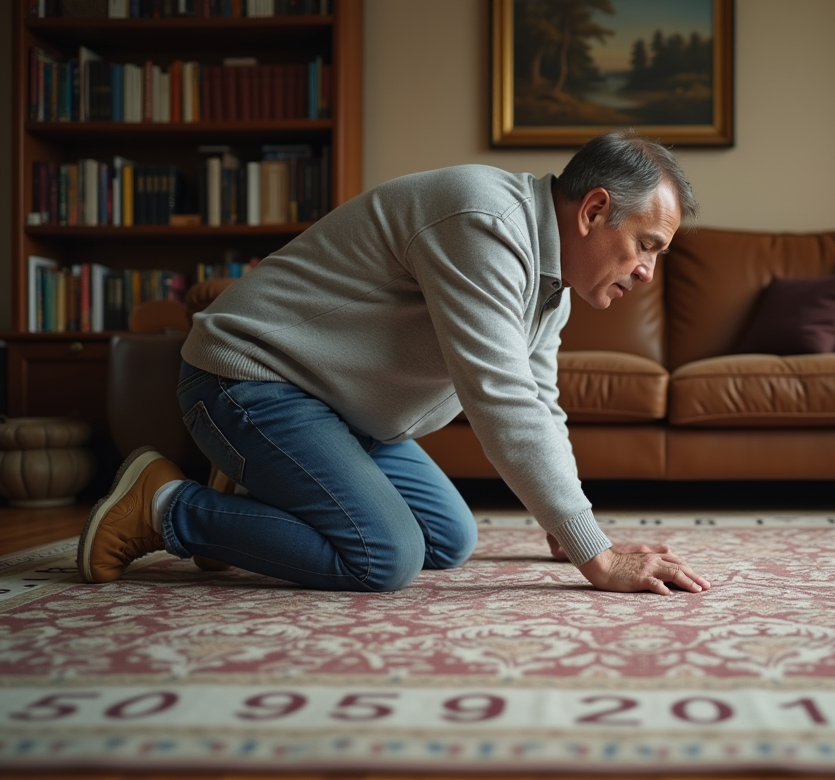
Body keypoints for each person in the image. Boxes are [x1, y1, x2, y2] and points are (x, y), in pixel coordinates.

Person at [77, 130, 711, 597]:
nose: (647, 272)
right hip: (250, 379)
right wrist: (598, 559)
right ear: (594, 211)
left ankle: (254, 487)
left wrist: (567, 529)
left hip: (338, 409)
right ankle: (163, 506)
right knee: (384, 556)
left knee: (448, 539)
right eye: (646, 246)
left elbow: (541, 403)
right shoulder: (486, 221)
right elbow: (501, 397)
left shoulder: (552, 288)